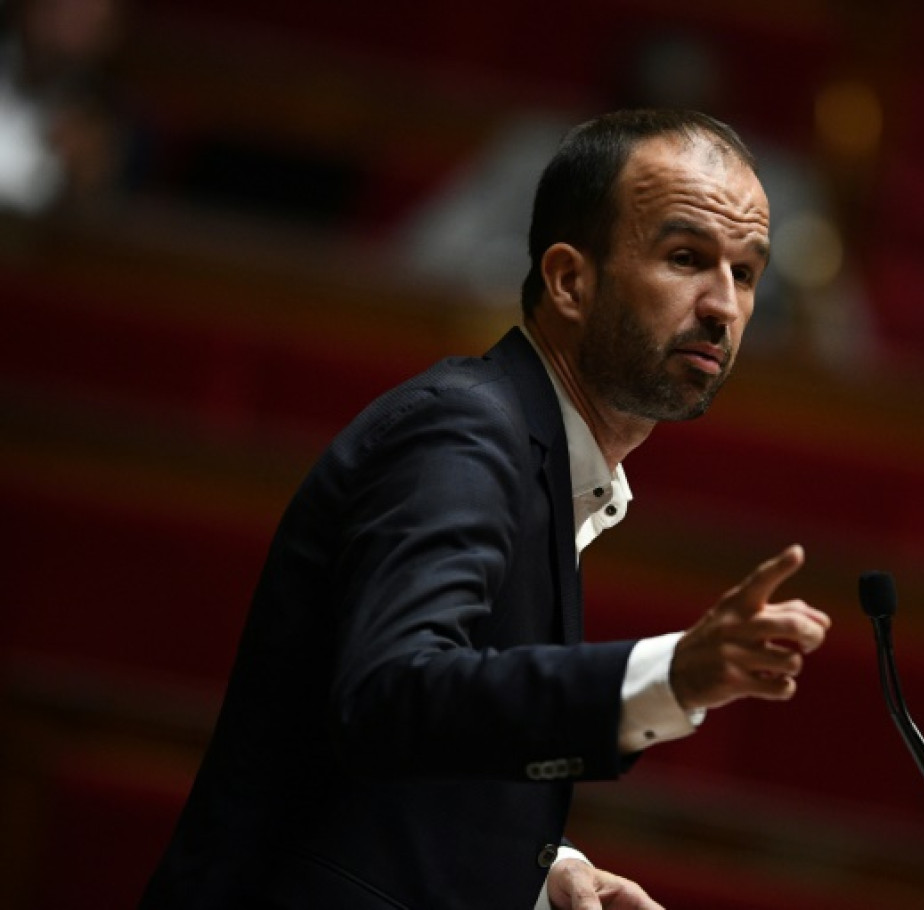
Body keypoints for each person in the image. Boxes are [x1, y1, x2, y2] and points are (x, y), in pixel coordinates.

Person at [139, 108, 831, 910]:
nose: (724, 306)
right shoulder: (465, 429)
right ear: (571, 280)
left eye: (745, 274)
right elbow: (393, 692)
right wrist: (667, 676)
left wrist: (544, 872)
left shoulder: (539, 454)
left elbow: (428, 744)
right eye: (686, 258)